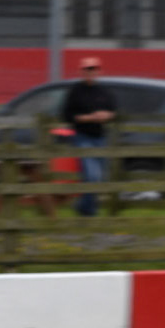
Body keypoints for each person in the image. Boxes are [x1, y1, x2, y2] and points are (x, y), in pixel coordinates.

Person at [61, 57, 117, 217]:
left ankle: (82, 206)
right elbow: (67, 115)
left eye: (93, 69)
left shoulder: (104, 92)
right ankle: (90, 211)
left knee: (99, 176)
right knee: (92, 175)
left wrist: (106, 115)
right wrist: (90, 117)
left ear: (99, 71)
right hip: (82, 136)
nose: (90, 72)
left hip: (100, 136)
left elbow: (113, 111)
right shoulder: (75, 91)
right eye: (87, 69)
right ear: (81, 71)